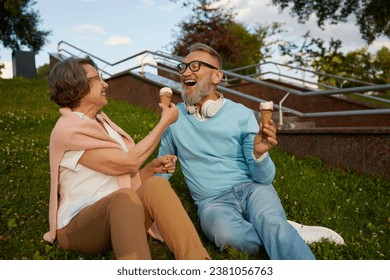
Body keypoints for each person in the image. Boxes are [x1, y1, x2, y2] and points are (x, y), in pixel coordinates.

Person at [158, 43, 343, 260]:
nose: (186, 72)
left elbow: (263, 178)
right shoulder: (173, 117)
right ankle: (283, 232)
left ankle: (276, 228)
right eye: (183, 67)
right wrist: (150, 201)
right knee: (228, 236)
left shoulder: (242, 114)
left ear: (217, 76)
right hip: (212, 202)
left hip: (252, 189)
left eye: (195, 66)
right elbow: (163, 167)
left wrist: (259, 155)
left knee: (270, 220)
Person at [43, 56, 210, 260]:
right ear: (76, 85)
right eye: (98, 79)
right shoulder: (68, 131)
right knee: (123, 199)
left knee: (156, 186)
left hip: (119, 214)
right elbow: (128, 164)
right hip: (77, 227)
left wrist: (150, 171)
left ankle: (197, 262)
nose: (105, 84)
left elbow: (117, 177)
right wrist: (164, 123)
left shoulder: (102, 122)